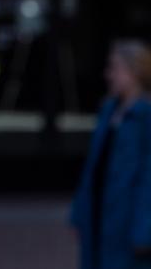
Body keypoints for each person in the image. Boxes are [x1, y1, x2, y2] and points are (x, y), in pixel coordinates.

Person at [70, 40, 151, 269]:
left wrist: (144, 230)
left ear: (134, 72)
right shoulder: (109, 110)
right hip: (101, 213)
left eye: (115, 68)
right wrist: (79, 212)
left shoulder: (145, 117)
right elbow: (93, 167)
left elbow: (148, 177)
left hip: (127, 220)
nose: (109, 75)